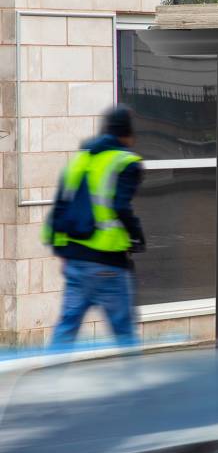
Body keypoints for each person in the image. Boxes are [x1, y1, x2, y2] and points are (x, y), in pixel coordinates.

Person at [43, 106, 146, 346]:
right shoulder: (126, 162)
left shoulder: (81, 159)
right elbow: (120, 206)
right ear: (126, 133)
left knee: (66, 328)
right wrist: (137, 235)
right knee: (125, 333)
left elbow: (60, 206)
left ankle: (47, 379)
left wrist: (62, 251)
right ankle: (136, 379)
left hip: (76, 262)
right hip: (108, 264)